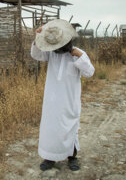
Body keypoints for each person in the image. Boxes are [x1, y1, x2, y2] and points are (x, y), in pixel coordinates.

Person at [30, 19, 95, 171]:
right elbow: (36, 54)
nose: (57, 48)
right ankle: (50, 157)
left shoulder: (78, 53)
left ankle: (72, 157)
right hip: (52, 102)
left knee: (70, 128)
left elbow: (90, 72)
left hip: (69, 101)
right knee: (51, 129)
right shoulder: (52, 55)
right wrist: (38, 37)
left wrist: (79, 56)